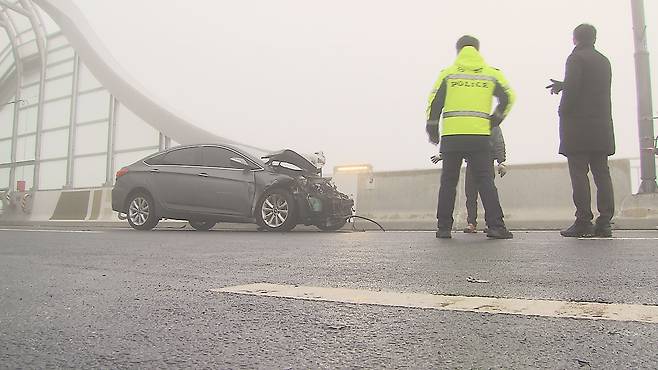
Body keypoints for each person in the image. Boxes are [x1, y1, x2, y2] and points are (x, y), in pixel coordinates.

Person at [426, 35, 515, 239]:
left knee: (448, 182)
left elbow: (434, 102)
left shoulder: (447, 74)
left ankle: (444, 228)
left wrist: (432, 128)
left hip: (452, 136)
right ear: (477, 49)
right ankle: (496, 226)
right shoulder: (490, 73)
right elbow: (509, 97)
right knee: (485, 180)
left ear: (458, 51)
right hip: (479, 136)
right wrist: (495, 120)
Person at [546, 24, 615, 238]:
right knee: (602, 173)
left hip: (578, 127)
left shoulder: (575, 58)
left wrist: (562, 110)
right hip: (602, 126)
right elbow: (590, 86)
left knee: (579, 173)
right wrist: (564, 84)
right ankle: (604, 223)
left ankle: (583, 220)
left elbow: (575, 90)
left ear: (575, 39)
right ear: (594, 38)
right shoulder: (603, 60)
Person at [463, 126, 507, 233]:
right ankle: (471, 223)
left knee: (488, 193)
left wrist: (501, 161)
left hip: (487, 160)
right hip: (471, 161)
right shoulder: (469, 122)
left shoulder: (492, 123)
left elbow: (499, 141)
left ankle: (490, 223)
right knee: (470, 193)